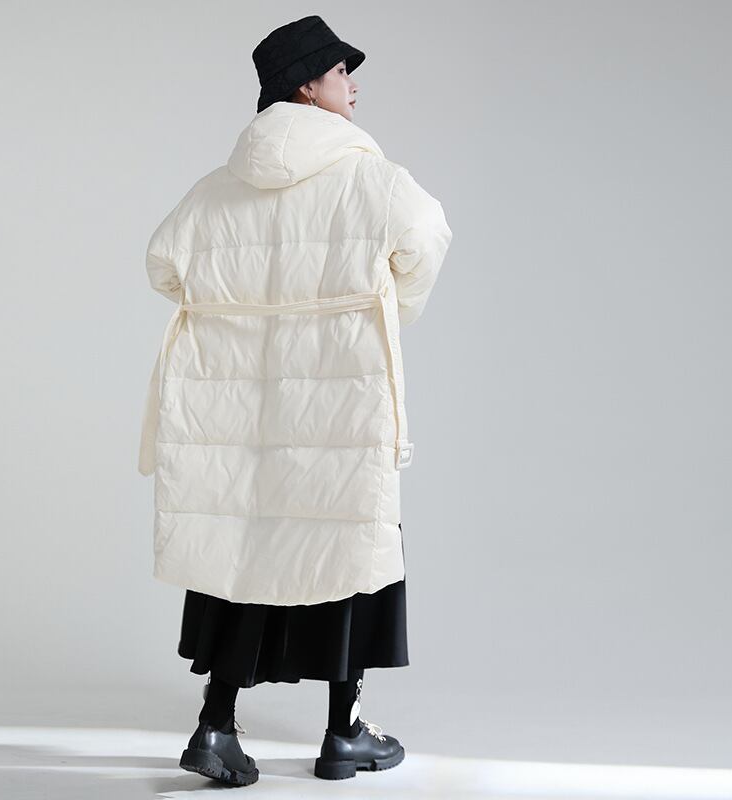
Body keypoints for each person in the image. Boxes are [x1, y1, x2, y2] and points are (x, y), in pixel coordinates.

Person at [137, 15, 453, 786]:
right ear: (307, 86)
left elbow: (163, 265)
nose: (354, 85)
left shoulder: (216, 187)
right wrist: (386, 305)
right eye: (342, 71)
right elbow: (427, 237)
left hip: (237, 413)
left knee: (243, 550)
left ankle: (216, 728)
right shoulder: (372, 178)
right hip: (340, 401)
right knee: (349, 545)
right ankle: (344, 734)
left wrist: (235, 311)